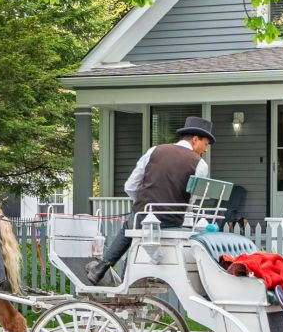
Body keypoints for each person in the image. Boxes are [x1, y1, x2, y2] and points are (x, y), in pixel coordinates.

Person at [84, 116, 213, 285]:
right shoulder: (200, 164)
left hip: (144, 217)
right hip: (173, 221)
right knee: (136, 226)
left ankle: (101, 268)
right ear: (195, 139)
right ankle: (125, 278)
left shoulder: (154, 151)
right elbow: (191, 200)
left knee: (130, 226)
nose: (205, 150)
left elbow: (130, 186)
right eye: (205, 144)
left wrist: (143, 204)